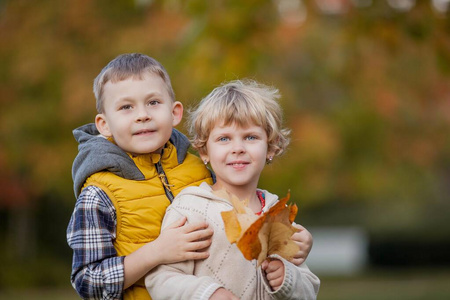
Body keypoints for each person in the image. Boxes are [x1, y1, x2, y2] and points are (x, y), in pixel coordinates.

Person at [66, 54, 314, 300]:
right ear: (104, 124)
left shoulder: (198, 170)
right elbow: (88, 282)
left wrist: (298, 250)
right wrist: (156, 252)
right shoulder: (99, 192)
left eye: (153, 102)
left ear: (175, 113)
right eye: (126, 107)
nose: (142, 115)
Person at [145, 79, 320, 300]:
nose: (237, 148)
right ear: (204, 151)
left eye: (250, 137)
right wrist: (208, 294)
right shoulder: (190, 209)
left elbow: (310, 289)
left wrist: (287, 279)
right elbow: (161, 281)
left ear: (271, 147)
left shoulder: (278, 214)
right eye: (224, 138)